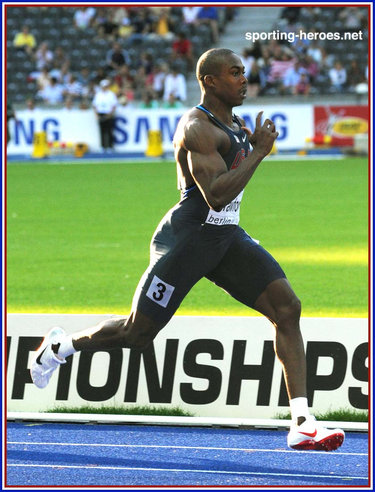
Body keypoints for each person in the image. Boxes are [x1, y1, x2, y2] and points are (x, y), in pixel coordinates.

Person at [30, 48, 344, 452]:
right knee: (136, 334)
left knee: (287, 307)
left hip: (225, 237)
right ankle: (60, 347)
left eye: (244, 72)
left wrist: (247, 146)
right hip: (187, 239)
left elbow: (227, 187)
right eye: (235, 73)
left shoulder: (231, 124)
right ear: (210, 81)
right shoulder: (196, 127)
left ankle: (302, 421)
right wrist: (260, 153)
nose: (245, 79)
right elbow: (214, 195)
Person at [92, 79, 117, 152]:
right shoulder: (98, 94)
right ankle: (103, 147)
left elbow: (114, 105)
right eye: (103, 86)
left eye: (106, 86)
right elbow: (94, 105)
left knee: (109, 131)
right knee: (102, 131)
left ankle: (110, 146)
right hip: (101, 113)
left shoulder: (111, 94)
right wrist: (96, 114)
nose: (104, 88)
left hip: (108, 114)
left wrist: (110, 114)